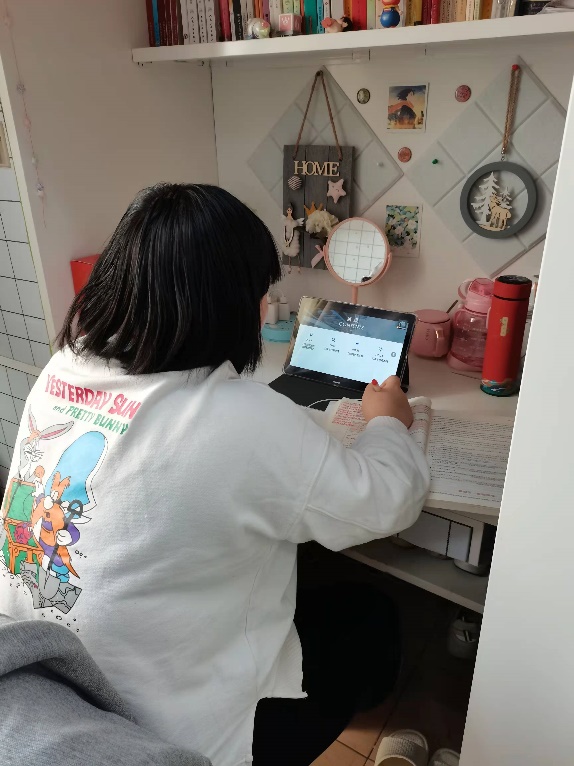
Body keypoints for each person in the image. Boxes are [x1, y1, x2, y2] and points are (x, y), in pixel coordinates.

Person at [0, 184, 429, 766]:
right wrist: (388, 423)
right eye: (260, 293)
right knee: (372, 617)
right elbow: (387, 502)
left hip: (41, 686)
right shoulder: (242, 418)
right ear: (231, 304)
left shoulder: (62, 370)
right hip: (175, 734)